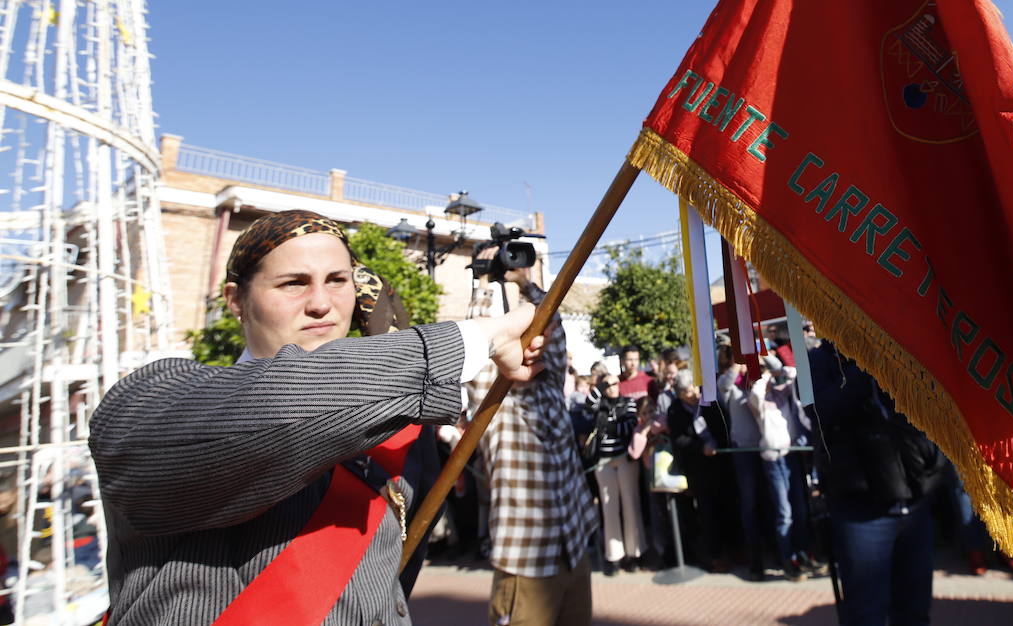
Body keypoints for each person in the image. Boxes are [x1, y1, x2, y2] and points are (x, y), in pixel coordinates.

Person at [88, 209, 545, 625]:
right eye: (293, 283)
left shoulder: (405, 442)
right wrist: (474, 340)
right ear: (236, 300)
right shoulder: (149, 402)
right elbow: (280, 402)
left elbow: (390, 591)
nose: (321, 304)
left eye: (338, 280)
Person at [467, 247, 599, 626]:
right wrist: (490, 280)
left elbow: (554, 329)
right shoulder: (494, 407)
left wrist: (527, 283)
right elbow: (480, 343)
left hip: (574, 549)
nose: (530, 345)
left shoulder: (551, 391)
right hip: (526, 562)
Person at [809, 340, 946, 626]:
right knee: (865, 613)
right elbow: (820, 410)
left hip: (915, 499)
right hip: (862, 509)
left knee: (914, 609)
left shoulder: (897, 347)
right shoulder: (819, 361)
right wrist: (867, 363)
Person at [749, 354, 814, 579]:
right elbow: (756, 393)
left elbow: (794, 375)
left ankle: (803, 553)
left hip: (792, 455)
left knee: (800, 509)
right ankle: (788, 560)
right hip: (773, 460)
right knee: (784, 513)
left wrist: (778, 369)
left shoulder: (783, 394)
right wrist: (764, 374)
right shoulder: (757, 401)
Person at [665, 369, 732, 571]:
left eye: (694, 387)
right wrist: (699, 447)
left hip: (720, 461)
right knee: (707, 511)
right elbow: (678, 439)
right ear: (679, 394)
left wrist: (720, 445)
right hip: (698, 467)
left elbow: (724, 424)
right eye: (687, 391)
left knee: (727, 506)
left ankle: (735, 547)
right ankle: (715, 555)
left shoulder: (708, 400)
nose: (693, 393)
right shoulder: (675, 410)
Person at [717, 360, 768, 580]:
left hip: (768, 448)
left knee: (770, 503)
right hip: (743, 452)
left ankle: (776, 552)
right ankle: (755, 560)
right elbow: (725, 384)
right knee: (749, 505)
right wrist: (738, 363)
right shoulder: (729, 385)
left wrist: (760, 359)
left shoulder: (759, 382)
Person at [589, 378, 645, 575]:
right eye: (607, 385)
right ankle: (613, 556)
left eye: (614, 384)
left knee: (630, 504)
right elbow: (588, 404)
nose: (611, 388)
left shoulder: (628, 402)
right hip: (603, 462)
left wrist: (607, 427)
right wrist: (600, 387)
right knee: (608, 507)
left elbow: (629, 426)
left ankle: (634, 553)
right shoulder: (599, 404)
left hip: (624, 460)